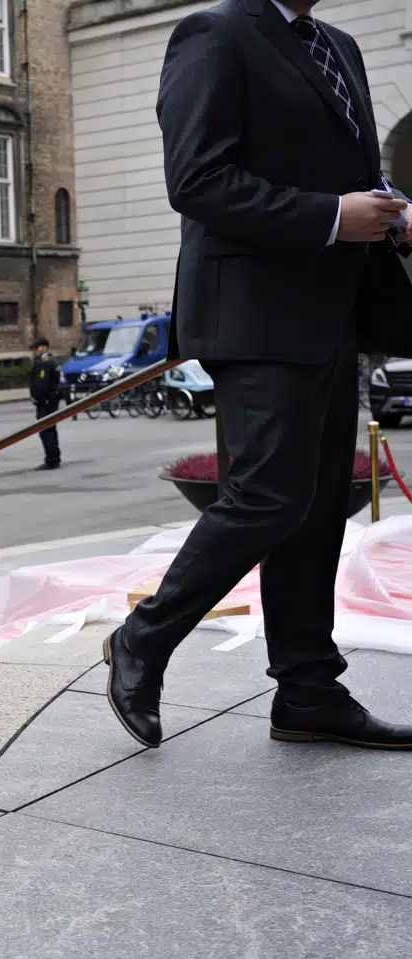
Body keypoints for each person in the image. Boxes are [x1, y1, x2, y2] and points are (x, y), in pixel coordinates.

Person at [105, 0, 412, 751]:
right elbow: (197, 179)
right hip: (255, 312)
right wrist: (332, 217)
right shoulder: (215, 34)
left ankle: (308, 690)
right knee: (268, 495)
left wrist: (389, 210)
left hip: (333, 310)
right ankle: (141, 639)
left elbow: (344, 171)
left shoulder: (337, 45)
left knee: (317, 508)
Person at [28, 337, 62, 470]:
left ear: (44, 347)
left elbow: (42, 384)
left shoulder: (45, 362)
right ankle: (54, 457)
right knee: (50, 429)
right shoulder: (51, 360)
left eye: (36, 348)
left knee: (46, 430)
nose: (34, 351)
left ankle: (51, 460)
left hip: (46, 402)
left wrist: (37, 397)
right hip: (50, 401)